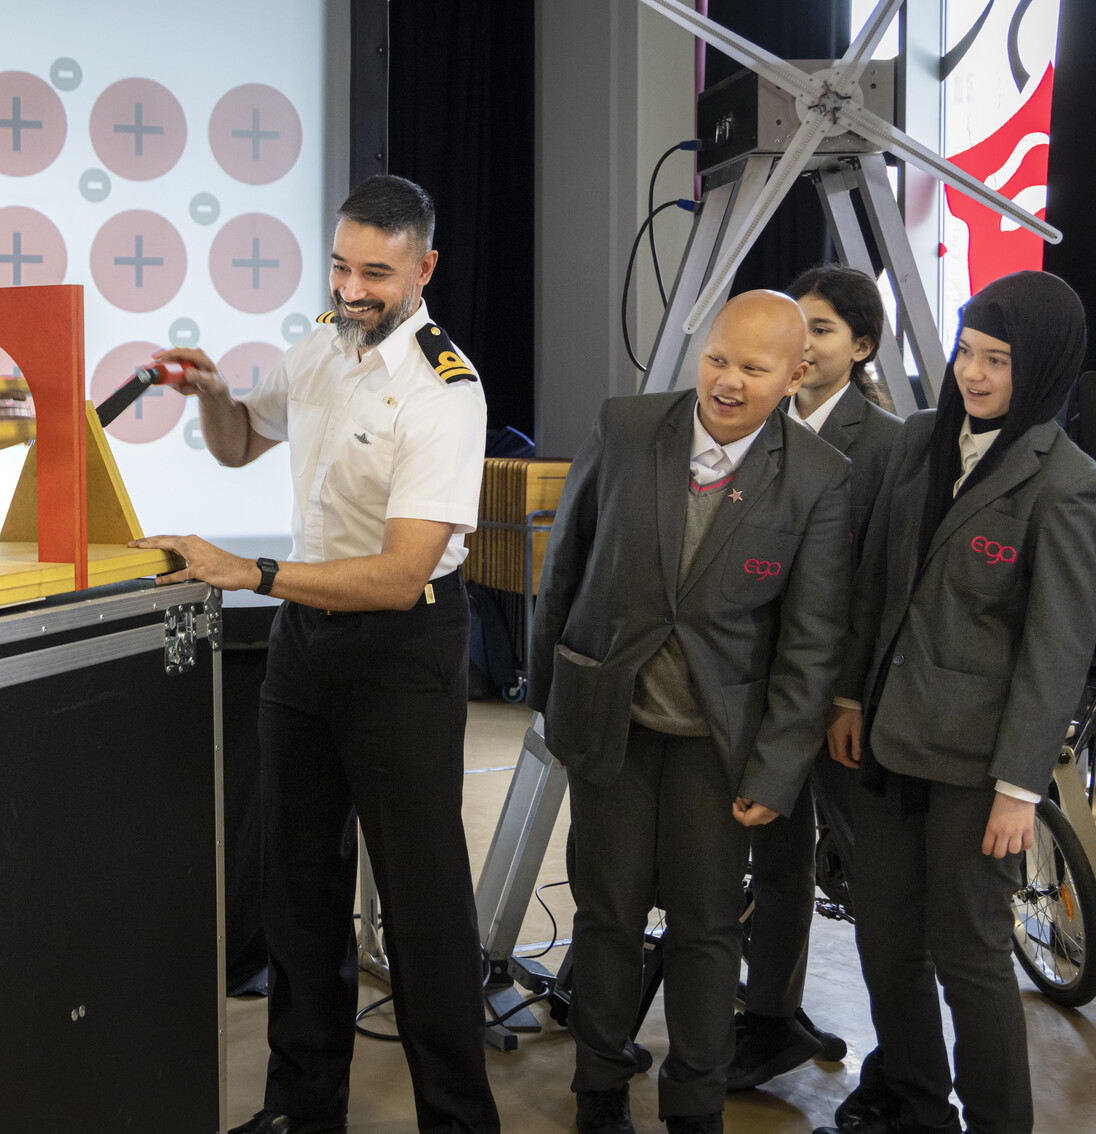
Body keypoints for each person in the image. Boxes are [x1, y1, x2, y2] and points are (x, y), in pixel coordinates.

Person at [132, 175, 500, 1134]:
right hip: (307, 643)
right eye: (341, 264)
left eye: (376, 272)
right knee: (296, 888)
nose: (353, 286)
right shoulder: (321, 347)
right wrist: (214, 392)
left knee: (422, 909)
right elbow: (240, 443)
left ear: (424, 269)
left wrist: (248, 569)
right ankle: (301, 1108)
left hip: (402, 645)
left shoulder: (444, 391)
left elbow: (397, 572)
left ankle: (460, 1121)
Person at [530, 290, 852, 1134]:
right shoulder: (629, 428)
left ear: (795, 374)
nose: (729, 382)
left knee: (709, 929)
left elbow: (812, 642)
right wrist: (551, 707)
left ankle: (695, 1105)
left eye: (754, 368)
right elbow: (562, 571)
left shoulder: (819, 479)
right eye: (718, 359)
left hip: (722, 745)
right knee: (608, 914)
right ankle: (598, 1090)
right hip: (614, 729)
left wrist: (779, 768)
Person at [823, 270, 1096, 1134]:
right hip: (889, 740)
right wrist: (847, 696)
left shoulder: (1065, 483)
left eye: (999, 360)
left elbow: (1058, 649)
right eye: (965, 352)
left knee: (969, 957)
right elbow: (877, 587)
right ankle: (913, 1104)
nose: (974, 375)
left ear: (1042, 368)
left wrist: (1021, 788)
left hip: (979, 769)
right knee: (884, 940)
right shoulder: (920, 441)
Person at [732, 264, 903, 1090]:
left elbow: (882, 585)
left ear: (861, 346)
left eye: (824, 329)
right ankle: (766, 1017)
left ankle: (902, 1059)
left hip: (838, 699)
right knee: (776, 861)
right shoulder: (755, 420)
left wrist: (851, 697)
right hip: (757, 693)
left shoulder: (888, 443)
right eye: (797, 326)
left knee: (872, 876)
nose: (805, 341)